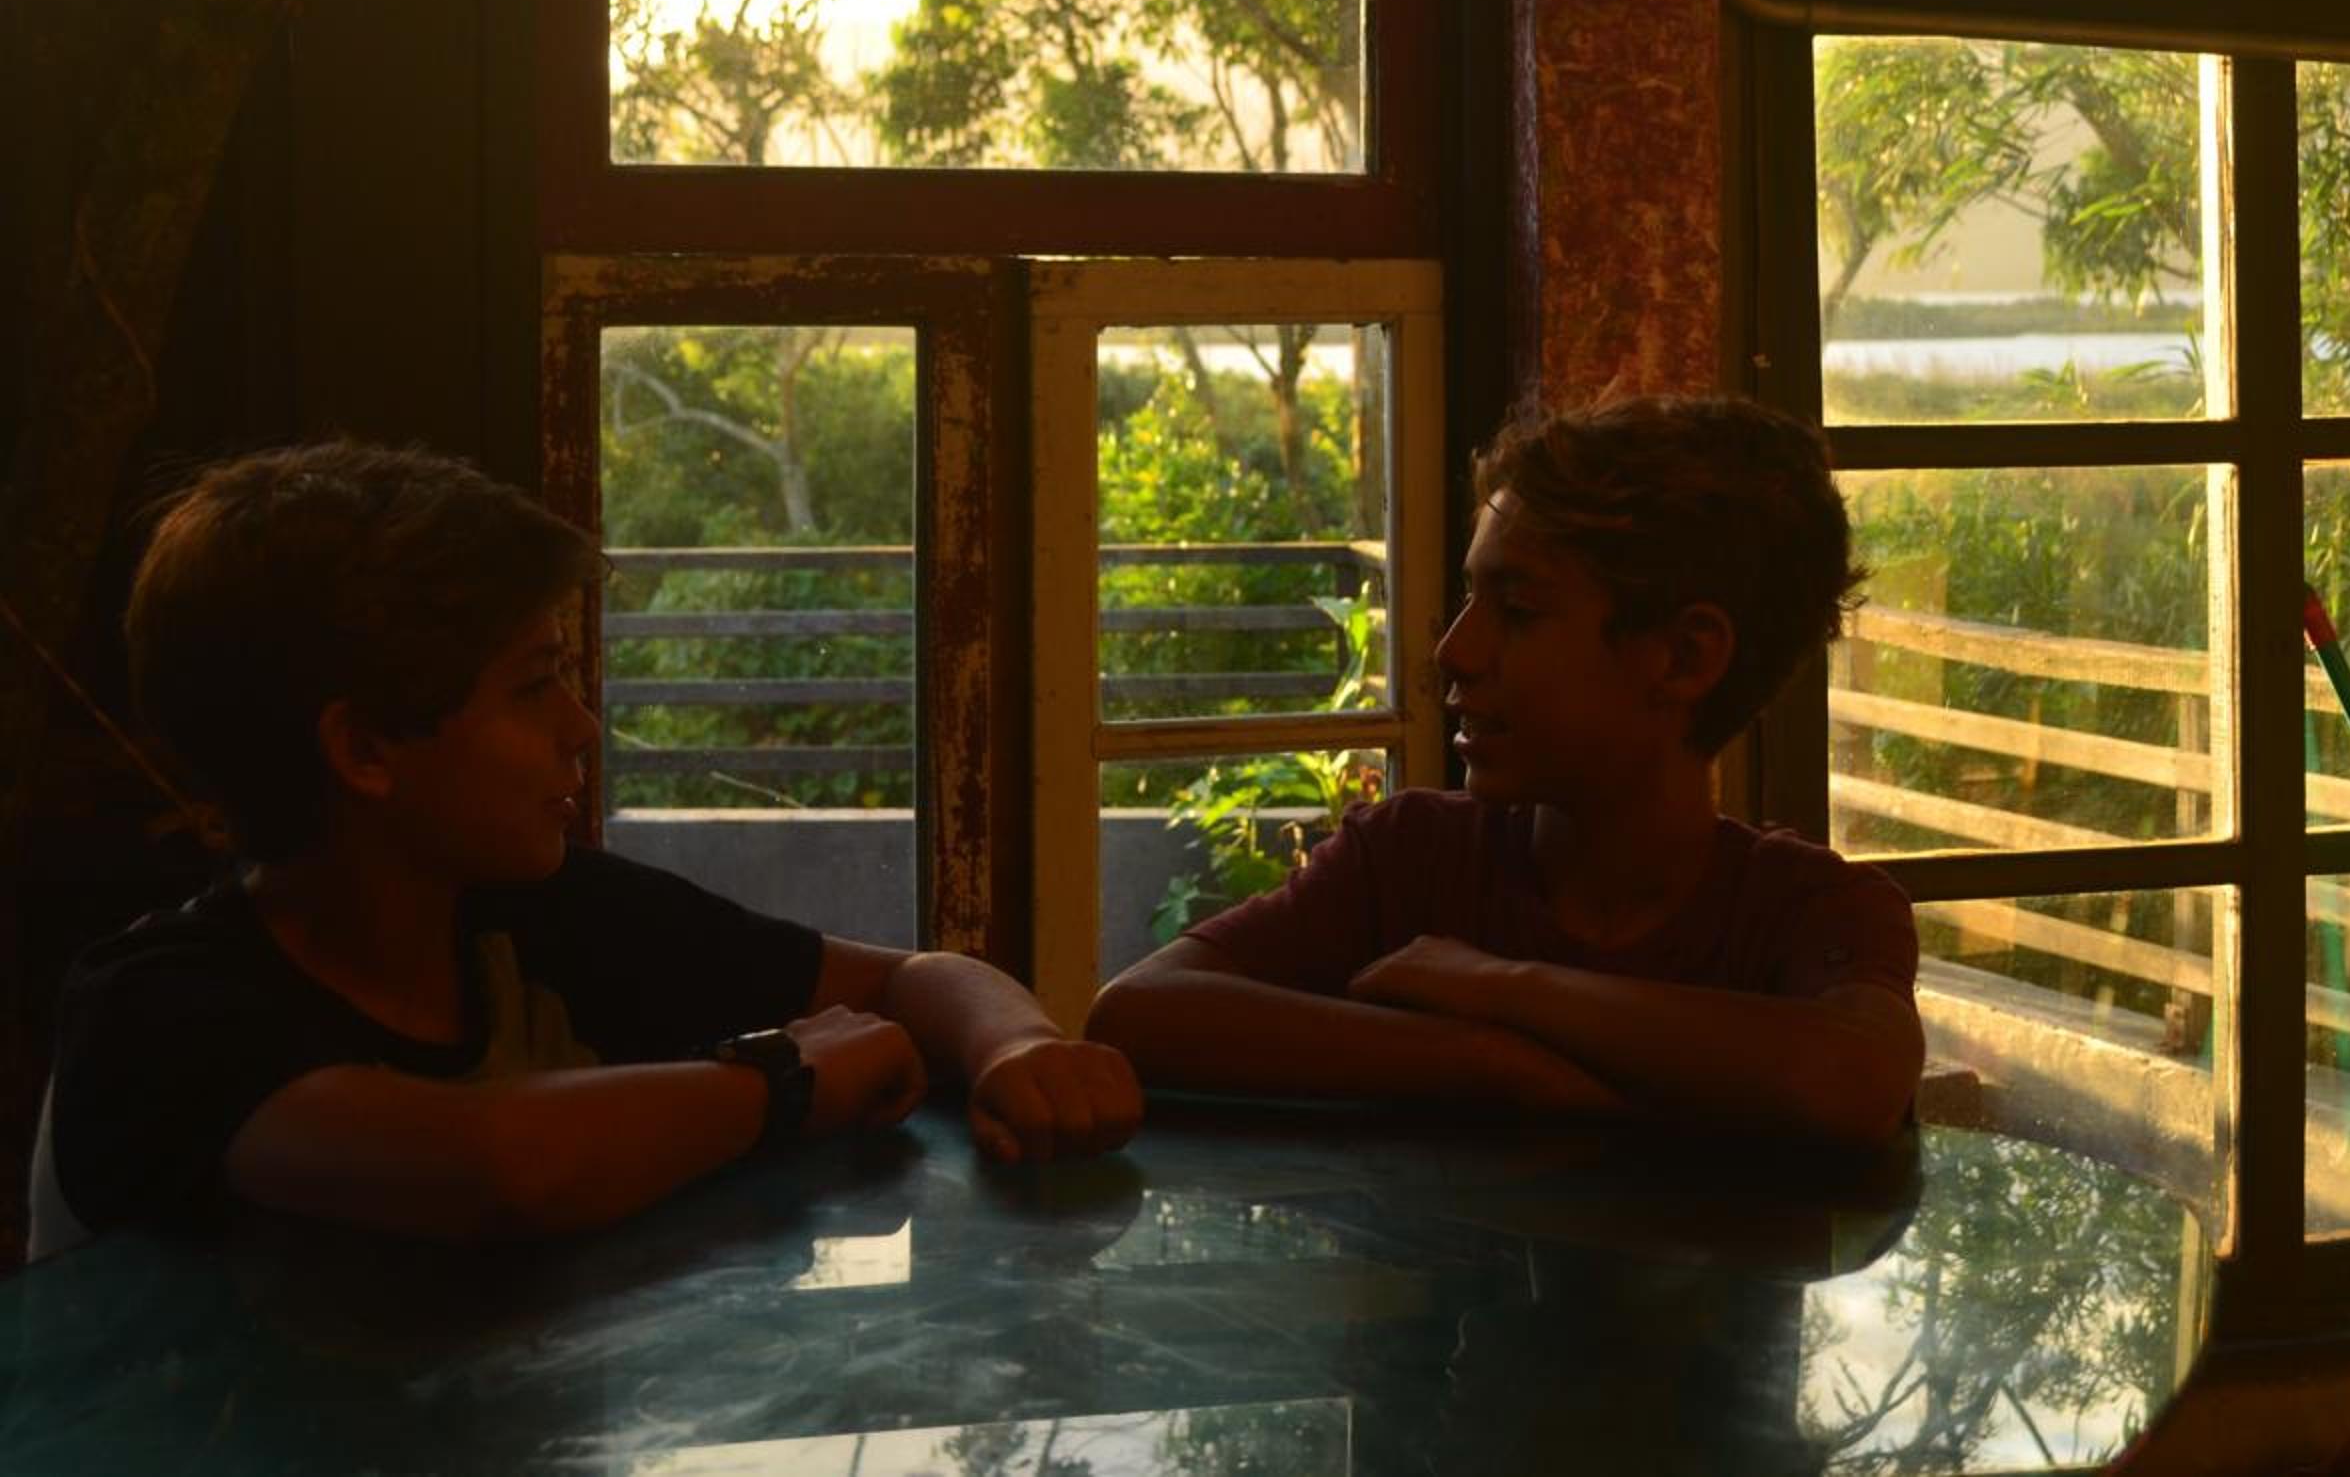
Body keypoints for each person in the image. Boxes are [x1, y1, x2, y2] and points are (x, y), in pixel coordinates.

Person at [36, 442, 1140, 1253]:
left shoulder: (550, 911)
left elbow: (912, 979)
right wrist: (783, 1077)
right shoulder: (161, 1011)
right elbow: (499, 1168)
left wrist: (1017, 1045)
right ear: (365, 749)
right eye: (534, 685)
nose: (582, 725)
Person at [1087, 393, 1921, 1145]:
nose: (1455, 651)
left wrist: (1498, 985)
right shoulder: (1411, 859)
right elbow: (1138, 1014)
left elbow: (1853, 1079)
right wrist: (1485, 1062)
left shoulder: (1808, 911)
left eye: (1517, 611)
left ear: (1684, 657)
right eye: (1469, 599)